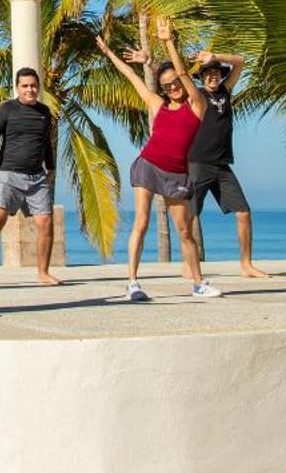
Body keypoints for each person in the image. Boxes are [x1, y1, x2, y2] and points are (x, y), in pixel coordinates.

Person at [96, 15, 220, 301]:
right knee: (141, 222)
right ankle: (132, 283)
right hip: (148, 167)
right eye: (167, 86)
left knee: (184, 230)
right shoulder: (157, 104)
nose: (173, 87)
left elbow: (186, 77)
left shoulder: (197, 105)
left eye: (175, 82)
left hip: (177, 174)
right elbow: (129, 76)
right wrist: (109, 53)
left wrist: (168, 44)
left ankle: (198, 283)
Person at [0, 66, 61, 287]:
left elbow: (46, 143)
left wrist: (51, 167)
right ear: (17, 88)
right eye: (25, 86)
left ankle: (43, 273)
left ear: (39, 87)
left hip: (37, 178)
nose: (30, 90)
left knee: (45, 223)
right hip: (8, 175)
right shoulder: (7, 109)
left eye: (33, 85)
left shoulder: (45, 113)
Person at [185, 50, 267, 279]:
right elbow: (181, 77)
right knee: (189, 216)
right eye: (208, 73)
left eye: (216, 72)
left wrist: (214, 56)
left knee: (243, 212)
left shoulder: (226, 91)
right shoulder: (197, 95)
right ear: (201, 77)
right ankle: (188, 266)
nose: (213, 76)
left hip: (222, 164)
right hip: (198, 162)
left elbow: (240, 62)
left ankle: (246, 265)